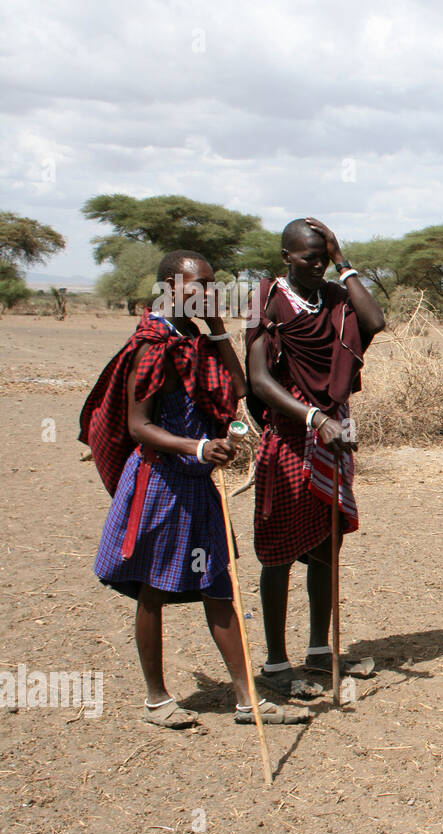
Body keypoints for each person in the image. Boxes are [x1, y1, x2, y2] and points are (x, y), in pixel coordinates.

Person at [81, 251, 307, 727]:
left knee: (217, 585)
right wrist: (199, 447)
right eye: (198, 285)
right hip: (159, 483)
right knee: (152, 590)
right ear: (168, 285)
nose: (207, 293)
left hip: (199, 485)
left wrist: (219, 329)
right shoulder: (152, 344)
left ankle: (248, 701)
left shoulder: (195, 338)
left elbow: (242, 388)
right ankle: (156, 698)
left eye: (211, 286)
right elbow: (139, 426)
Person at [246, 218, 386, 694]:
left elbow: (376, 321)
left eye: (324, 255)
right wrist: (313, 418)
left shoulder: (333, 297)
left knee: (328, 545)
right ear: (286, 256)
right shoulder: (267, 301)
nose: (318, 263)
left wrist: (344, 264)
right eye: (310, 256)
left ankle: (320, 651)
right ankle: (275, 662)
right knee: (279, 550)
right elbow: (260, 380)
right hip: (289, 434)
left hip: (332, 432)